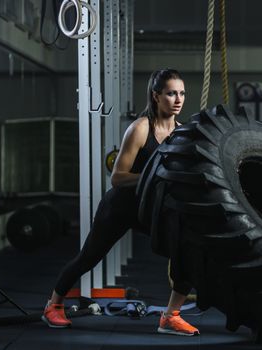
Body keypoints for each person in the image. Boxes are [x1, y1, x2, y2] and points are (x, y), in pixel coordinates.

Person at [42, 69, 199, 336]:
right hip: (121, 206)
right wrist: (154, 175)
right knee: (88, 257)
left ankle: (170, 317)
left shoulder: (182, 133)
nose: (178, 99)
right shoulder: (140, 128)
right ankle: (53, 305)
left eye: (182, 93)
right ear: (156, 95)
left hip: (151, 208)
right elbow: (118, 178)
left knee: (189, 248)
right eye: (171, 93)